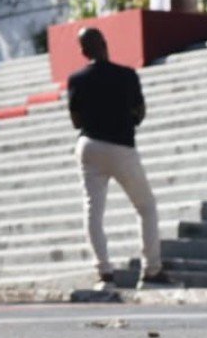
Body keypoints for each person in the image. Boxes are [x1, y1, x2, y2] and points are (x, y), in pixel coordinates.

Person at [67, 27, 163, 287]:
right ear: (104, 44)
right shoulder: (127, 75)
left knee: (93, 212)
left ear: (83, 51)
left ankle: (105, 273)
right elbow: (140, 113)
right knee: (145, 206)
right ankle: (151, 270)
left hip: (89, 146)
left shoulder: (76, 79)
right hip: (121, 145)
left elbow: (76, 121)